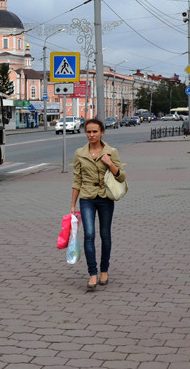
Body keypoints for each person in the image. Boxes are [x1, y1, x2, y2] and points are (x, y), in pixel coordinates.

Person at [70, 118, 125, 292]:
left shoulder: (111, 151)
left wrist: (109, 163)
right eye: (88, 132)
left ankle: (104, 270)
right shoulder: (80, 153)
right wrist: (72, 205)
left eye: (95, 131)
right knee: (89, 235)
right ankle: (92, 273)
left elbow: (121, 177)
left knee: (105, 234)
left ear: (102, 132)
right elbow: (77, 179)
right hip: (86, 197)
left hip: (105, 197)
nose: (91, 135)